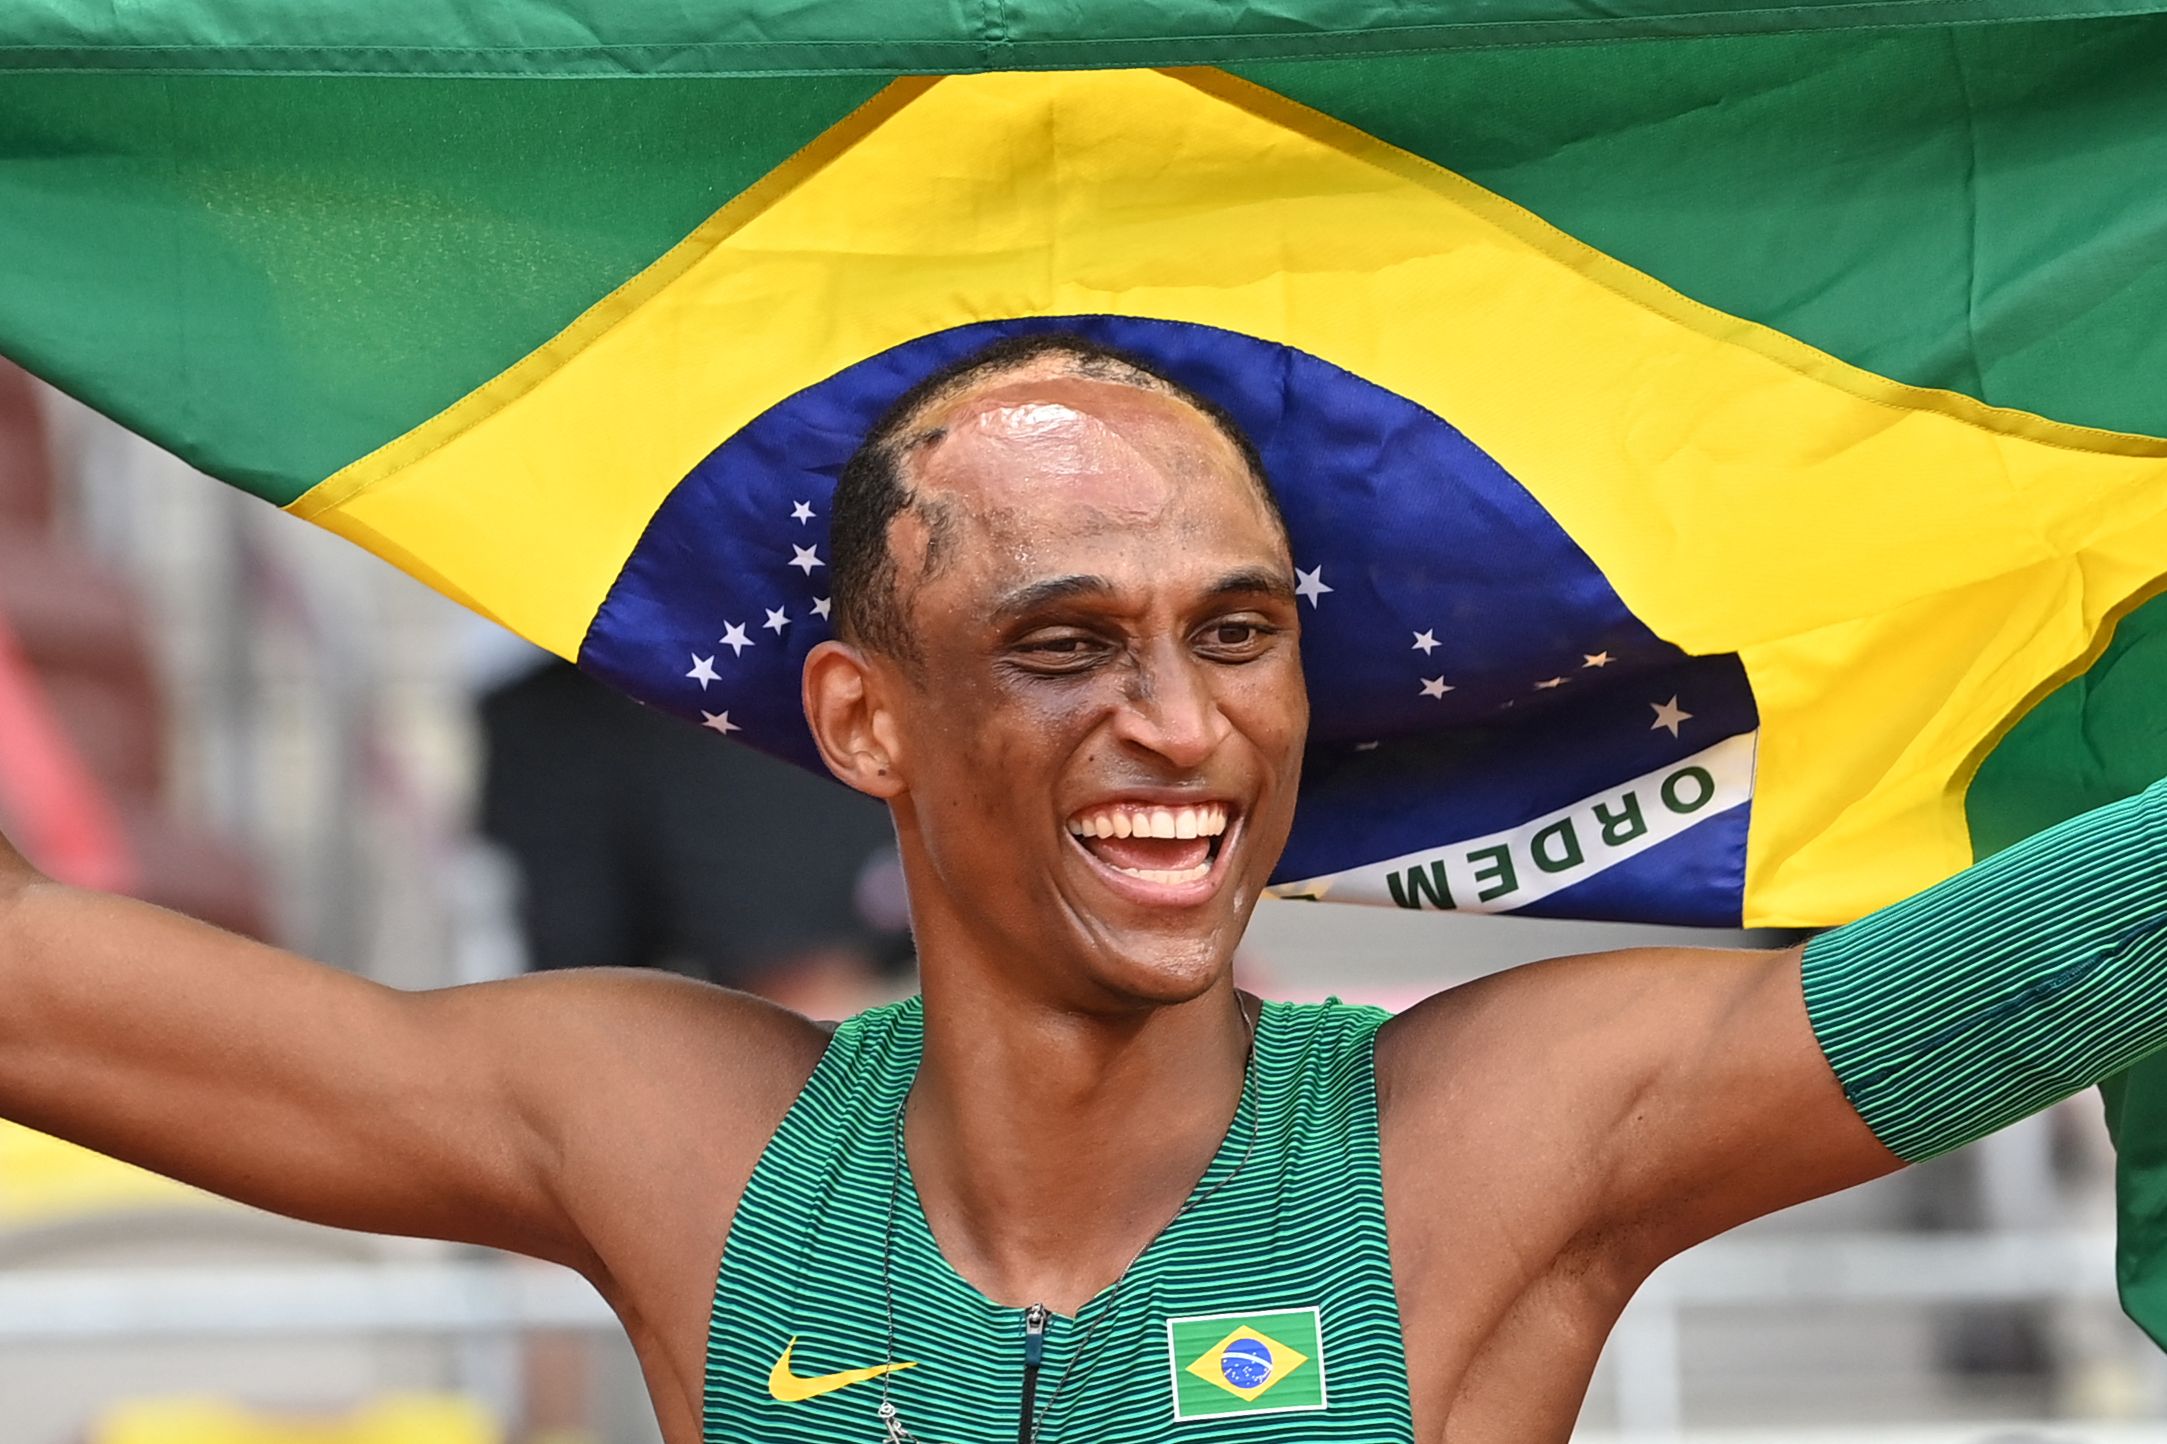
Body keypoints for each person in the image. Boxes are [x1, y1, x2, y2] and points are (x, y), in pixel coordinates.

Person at [1, 331, 2163, 1444]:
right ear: (863, 719)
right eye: (1064, 644)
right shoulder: (683, 1145)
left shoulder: (1489, 1140)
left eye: (1236, 632)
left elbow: (2102, 926)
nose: (1180, 724)